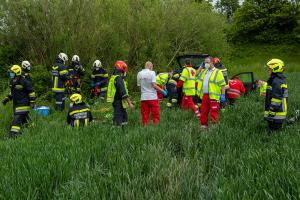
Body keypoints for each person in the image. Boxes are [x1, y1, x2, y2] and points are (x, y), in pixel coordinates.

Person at [2, 65, 36, 138]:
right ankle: (32, 130)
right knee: (25, 118)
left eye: (12, 73)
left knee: (16, 119)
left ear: (17, 73)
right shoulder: (12, 81)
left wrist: (32, 102)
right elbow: (12, 92)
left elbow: (31, 92)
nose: (10, 74)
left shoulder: (24, 81)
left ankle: (12, 135)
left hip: (23, 104)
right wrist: (7, 98)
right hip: (16, 104)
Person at [196, 56, 226, 129]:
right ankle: (203, 127)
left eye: (207, 62)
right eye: (205, 62)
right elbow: (196, 75)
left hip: (213, 96)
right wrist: (200, 66)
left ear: (212, 62)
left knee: (214, 112)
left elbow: (222, 85)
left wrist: (223, 95)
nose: (206, 64)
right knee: (203, 112)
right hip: (204, 95)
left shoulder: (218, 72)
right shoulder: (204, 71)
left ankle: (214, 128)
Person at [137, 61, 166, 126]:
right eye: (152, 67)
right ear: (150, 66)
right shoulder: (152, 73)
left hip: (143, 97)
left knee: (145, 114)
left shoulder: (139, 73)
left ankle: (145, 127)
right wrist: (162, 91)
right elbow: (154, 85)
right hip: (152, 97)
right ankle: (156, 127)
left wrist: (143, 93)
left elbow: (139, 86)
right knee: (155, 114)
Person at [107, 60, 134, 127]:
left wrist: (129, 101)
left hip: (116, 101)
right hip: (119, 101)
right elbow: (123, 92)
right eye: (124, 70)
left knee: (123, 116)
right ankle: (117, 132)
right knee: (118, 117)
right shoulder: (118, 79)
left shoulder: (113, 78)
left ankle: (123, 131)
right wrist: (129, 103)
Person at [264, 58, 288, 131]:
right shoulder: (276, 79)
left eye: (269, 69)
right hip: (277, 112)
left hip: (276, 113)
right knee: (274, 131)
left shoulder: (276, 81)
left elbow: (277, 99)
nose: (268, 70)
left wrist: (271, 111)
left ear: (275, 68)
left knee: (274, 132)